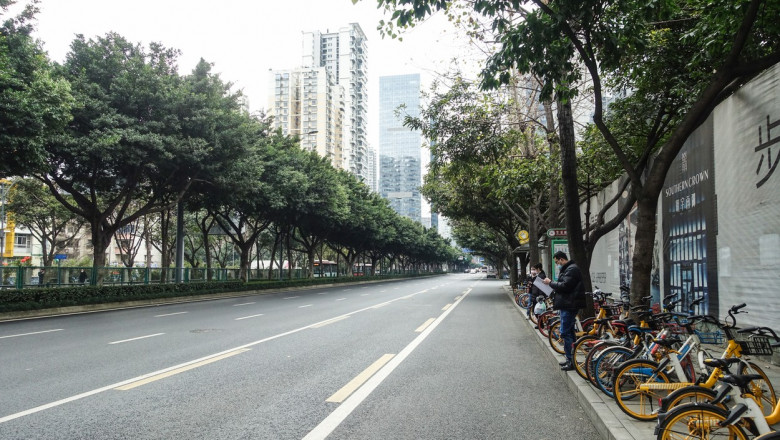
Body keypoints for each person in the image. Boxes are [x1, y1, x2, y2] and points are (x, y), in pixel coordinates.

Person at [543, 251, 586, 371]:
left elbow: (565, 286)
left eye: (557, 262)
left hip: (569, 304)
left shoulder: (572, 269)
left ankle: (570, 360)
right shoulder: (570, 269)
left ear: (561, 259)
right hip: (567, 304)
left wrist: (550, 283)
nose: (557, 264)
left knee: (565, 332)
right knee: (569, 332)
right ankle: (570, 359)